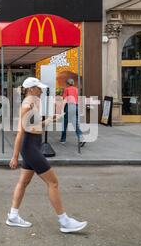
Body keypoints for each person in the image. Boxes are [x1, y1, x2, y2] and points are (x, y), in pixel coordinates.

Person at [6, 77, 88, 233]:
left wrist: (50, 119)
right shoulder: (26, 106)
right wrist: (15, 156)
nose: (42, 90)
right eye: (39, 88)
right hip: (30, 147)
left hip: (33, 144)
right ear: (31, 89)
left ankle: (13, 216)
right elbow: (20, 132)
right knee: (53, 182)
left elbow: (34, 125)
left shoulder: (32, 103)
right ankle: (65, 221)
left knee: (23, 182)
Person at [59, 78, 85, 147]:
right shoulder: (76, 89)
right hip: (75, 107)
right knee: (75, 124)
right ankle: (81, 137)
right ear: (73, 83)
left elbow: (65, 100)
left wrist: (62, 110)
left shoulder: (66, 89)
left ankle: (63, 139)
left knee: (64, 123)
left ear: (67, 83)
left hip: (69, 107)